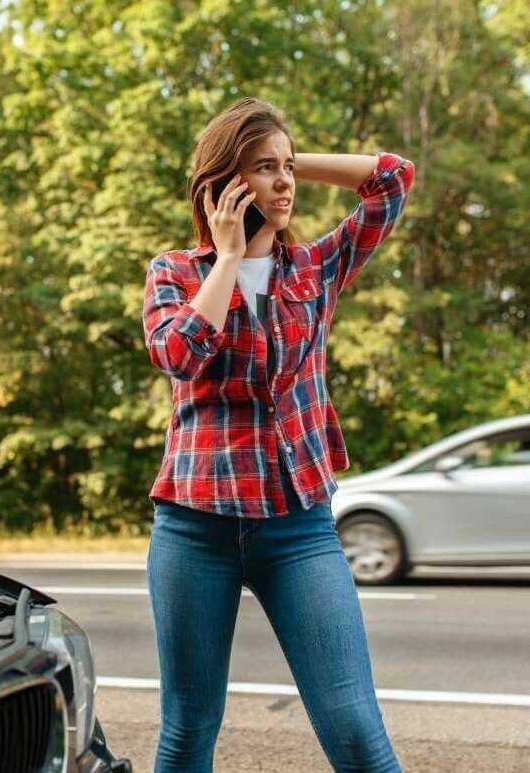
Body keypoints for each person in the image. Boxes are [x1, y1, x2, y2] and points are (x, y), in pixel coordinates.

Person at [140, 96, 415, 773]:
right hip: (194, 529)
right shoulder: (175, 271)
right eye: (265, 169)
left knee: (355, 727)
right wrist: (228, 255)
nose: (286, 182)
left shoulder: (316, 268)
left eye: (287, 167)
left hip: (298, 528)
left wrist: (284, 153)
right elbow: (177, 354)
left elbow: (393, 178)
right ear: (224, 184)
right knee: (187, 729)